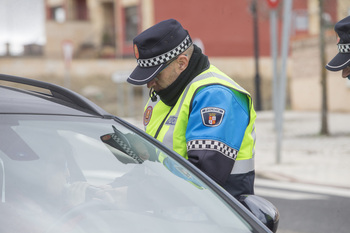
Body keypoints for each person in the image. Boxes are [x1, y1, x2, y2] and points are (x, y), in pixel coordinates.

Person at [127, 19, 257, 198]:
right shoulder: (165, 92)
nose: (149, 83)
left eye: (155, 74)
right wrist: (116, 187)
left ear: (182, 63)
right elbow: (151, 165)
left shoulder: (216, 96)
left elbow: (202, 179)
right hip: (169, 212)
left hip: (214, 220)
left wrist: (132, 194)